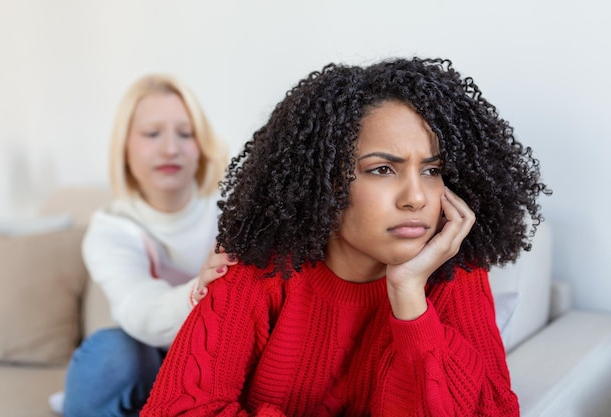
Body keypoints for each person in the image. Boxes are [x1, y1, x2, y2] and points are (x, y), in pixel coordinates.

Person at [140, 58, 551, 416]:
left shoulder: (454, 274)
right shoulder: (258, 269)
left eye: (431, 169)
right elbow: (177, 409)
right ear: (322, 182)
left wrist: (410, 296)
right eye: (382, 169)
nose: (416, 198)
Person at [57, 74, 237, 417]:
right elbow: (140, 310)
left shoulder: (231, 211)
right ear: (124, 147)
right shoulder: (110, 228)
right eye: (152, 134)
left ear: (201, 147)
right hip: (147, 362)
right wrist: (201, 288)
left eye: (185, 134)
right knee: (112, 350)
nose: (170, 148)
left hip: (218, 360)